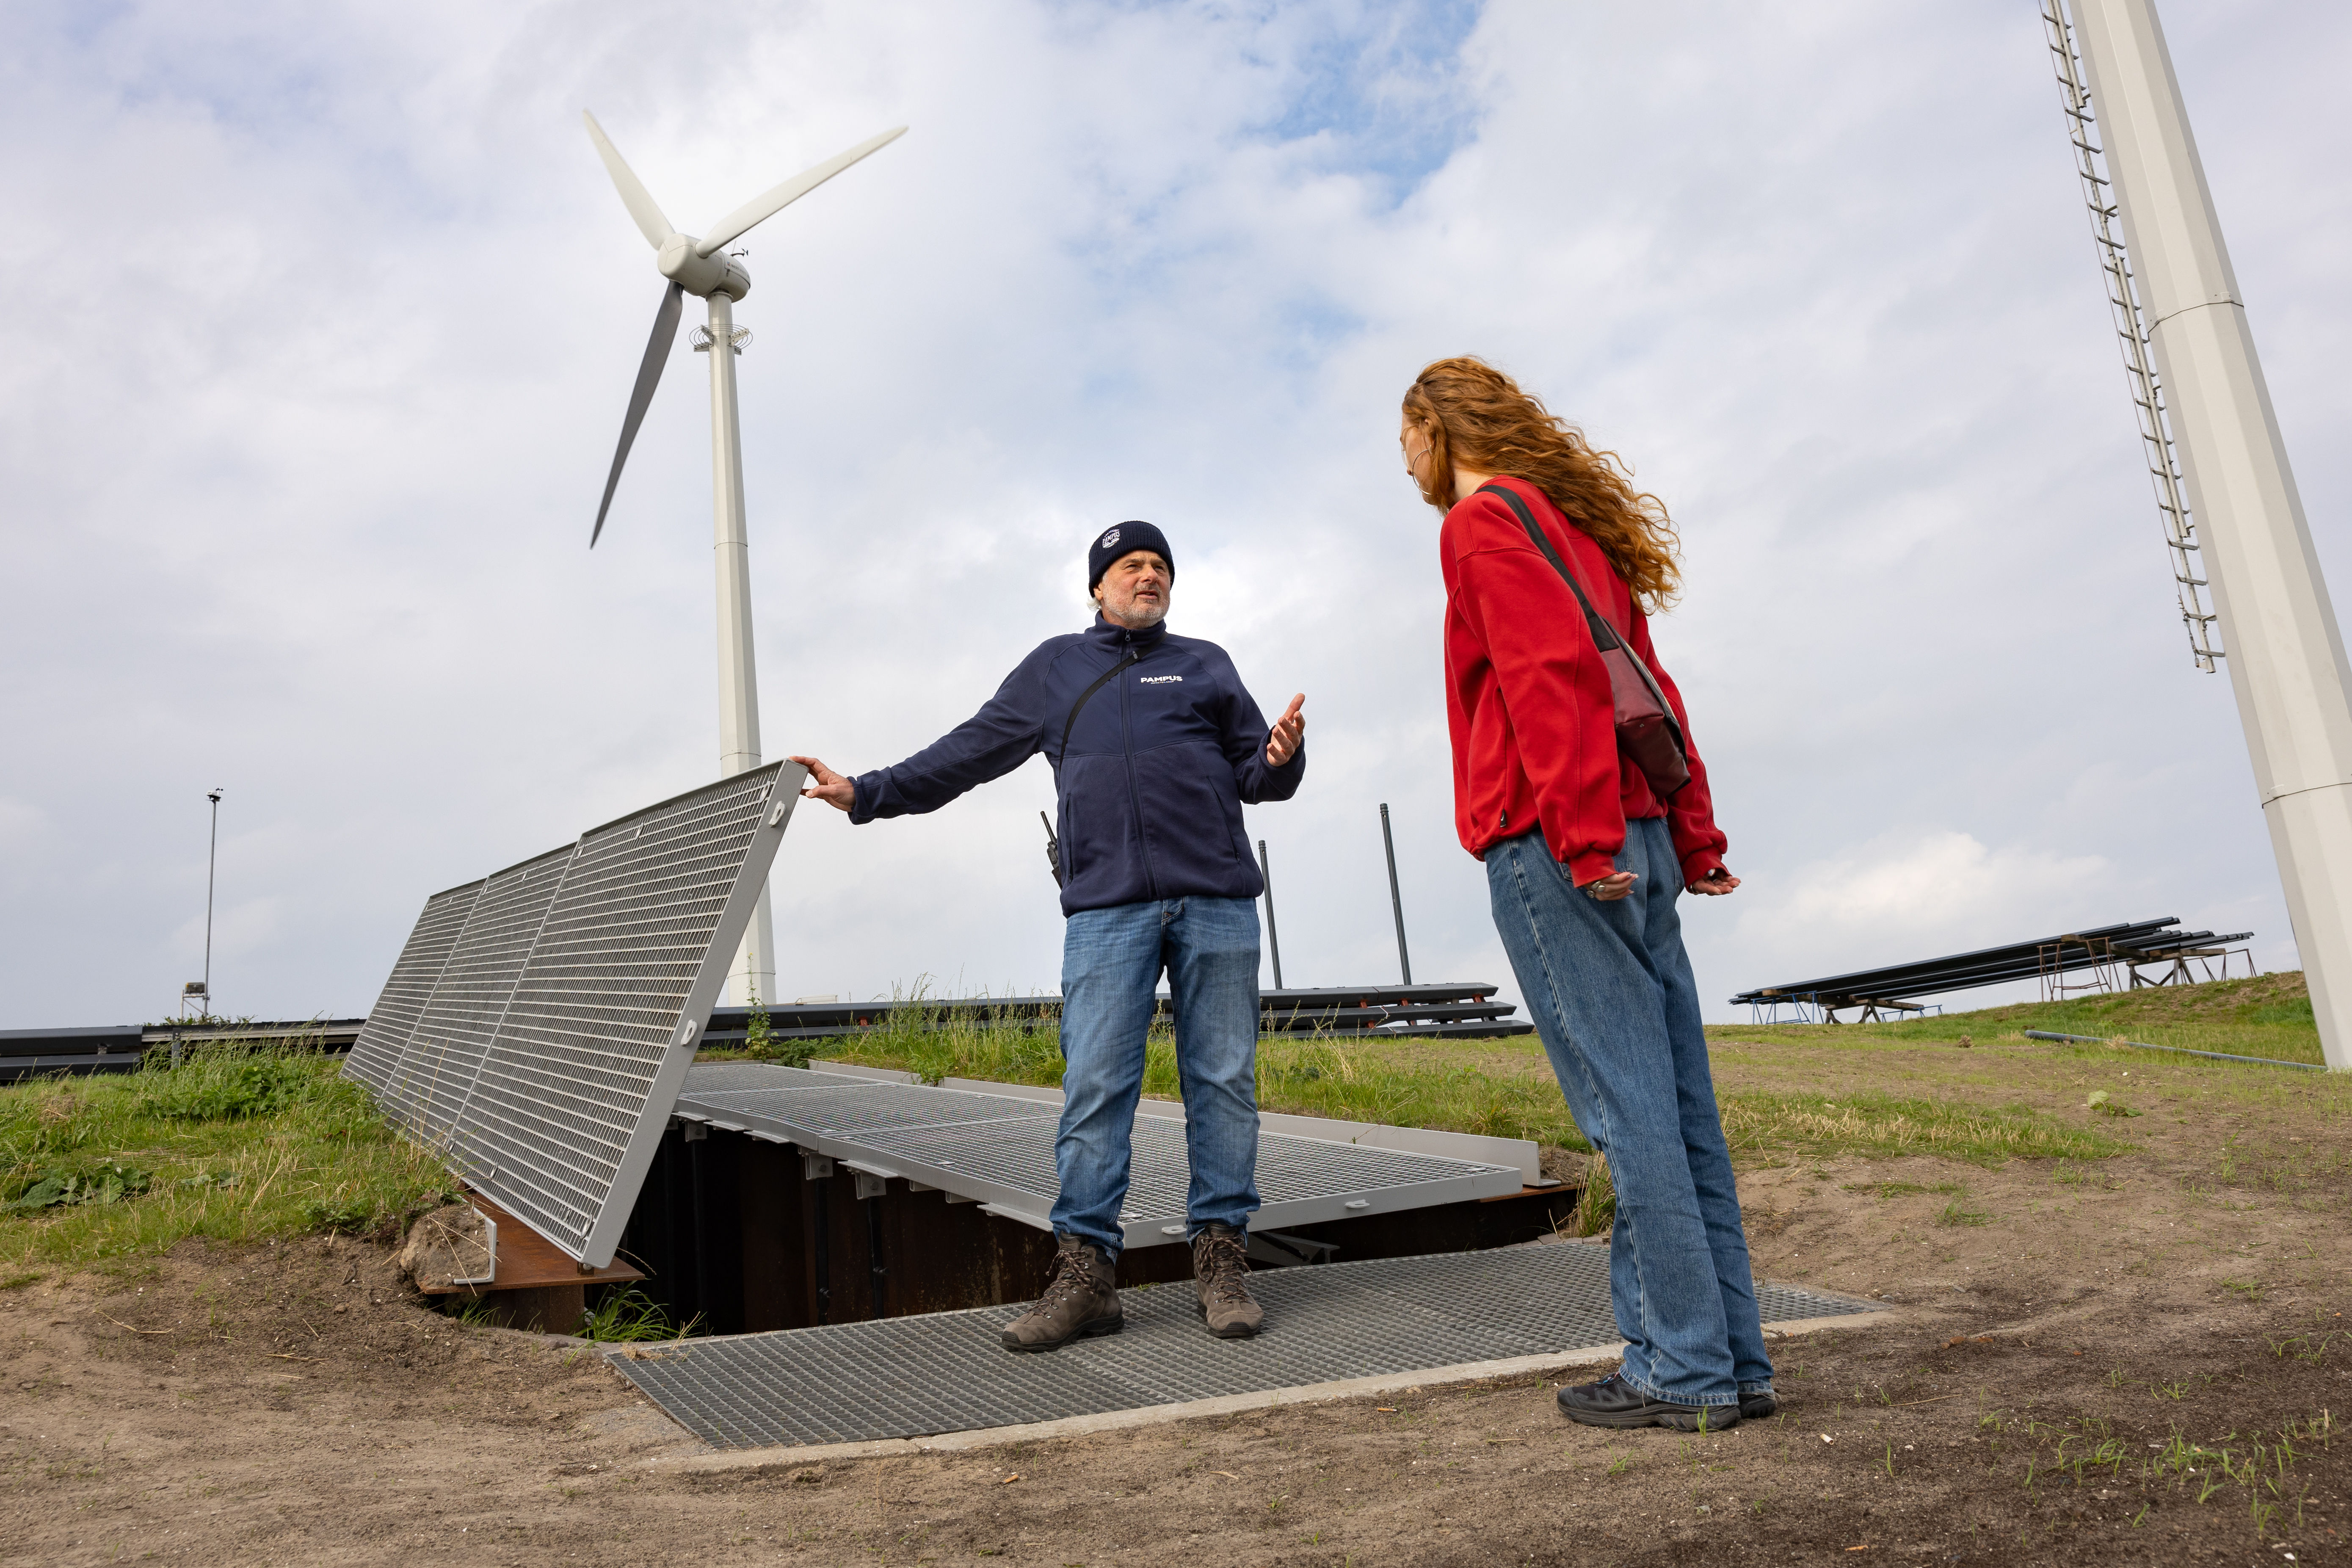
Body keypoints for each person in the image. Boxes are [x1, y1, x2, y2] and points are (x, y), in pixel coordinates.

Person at [791, 520, 1307, 1352]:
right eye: (1133, 564)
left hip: (1215, 899)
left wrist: (1282, 756)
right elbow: (969, 750)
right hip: (1107, 908)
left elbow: (1258, 775)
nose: (1150, 575)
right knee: (1096, 1086)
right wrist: (870, 792)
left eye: (1161, 566)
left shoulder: (1206, 663)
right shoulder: (1056, 669)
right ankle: (1087, 1275)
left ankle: (1222, 1262)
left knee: (1225, 1081)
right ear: (1098, 586)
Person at [1400, 356, 1772, 1433]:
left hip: (1565, 841)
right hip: (1646, 833)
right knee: (1684, 1112)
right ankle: (1735, 1362)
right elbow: (1650, 686)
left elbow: (1544, 676)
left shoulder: (1476, 527)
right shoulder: (1575, 529)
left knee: (1628, 1114)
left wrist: (1579, 833)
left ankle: (1680, 1370)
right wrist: (1692, 832)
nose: (1409, 467)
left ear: (1435, 428)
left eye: (1407, 444)